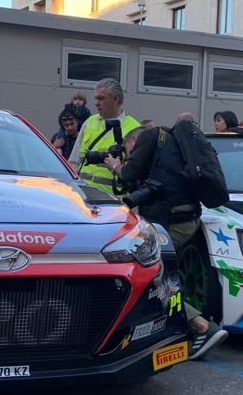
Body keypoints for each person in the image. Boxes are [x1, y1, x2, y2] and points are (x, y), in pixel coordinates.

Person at [104, 121, 228, 360]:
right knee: (168, 274)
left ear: (133, 141)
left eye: (130, 152)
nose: (131, 156)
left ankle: (202, 326)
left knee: (153, 275)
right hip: (187, 218)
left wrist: (116, 166)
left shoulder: (148, 136)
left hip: (171, 221)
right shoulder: (171, 146)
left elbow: (130, 173)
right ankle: (178, 328)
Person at [73, 78, 142, 197]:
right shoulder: (89, 122)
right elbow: (74, 161)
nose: (96, 103)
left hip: (113, 201)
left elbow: (137, 171)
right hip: (83, 197)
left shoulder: (134, 128)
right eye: (96, 98)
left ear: (116, 99)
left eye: (101, 98)